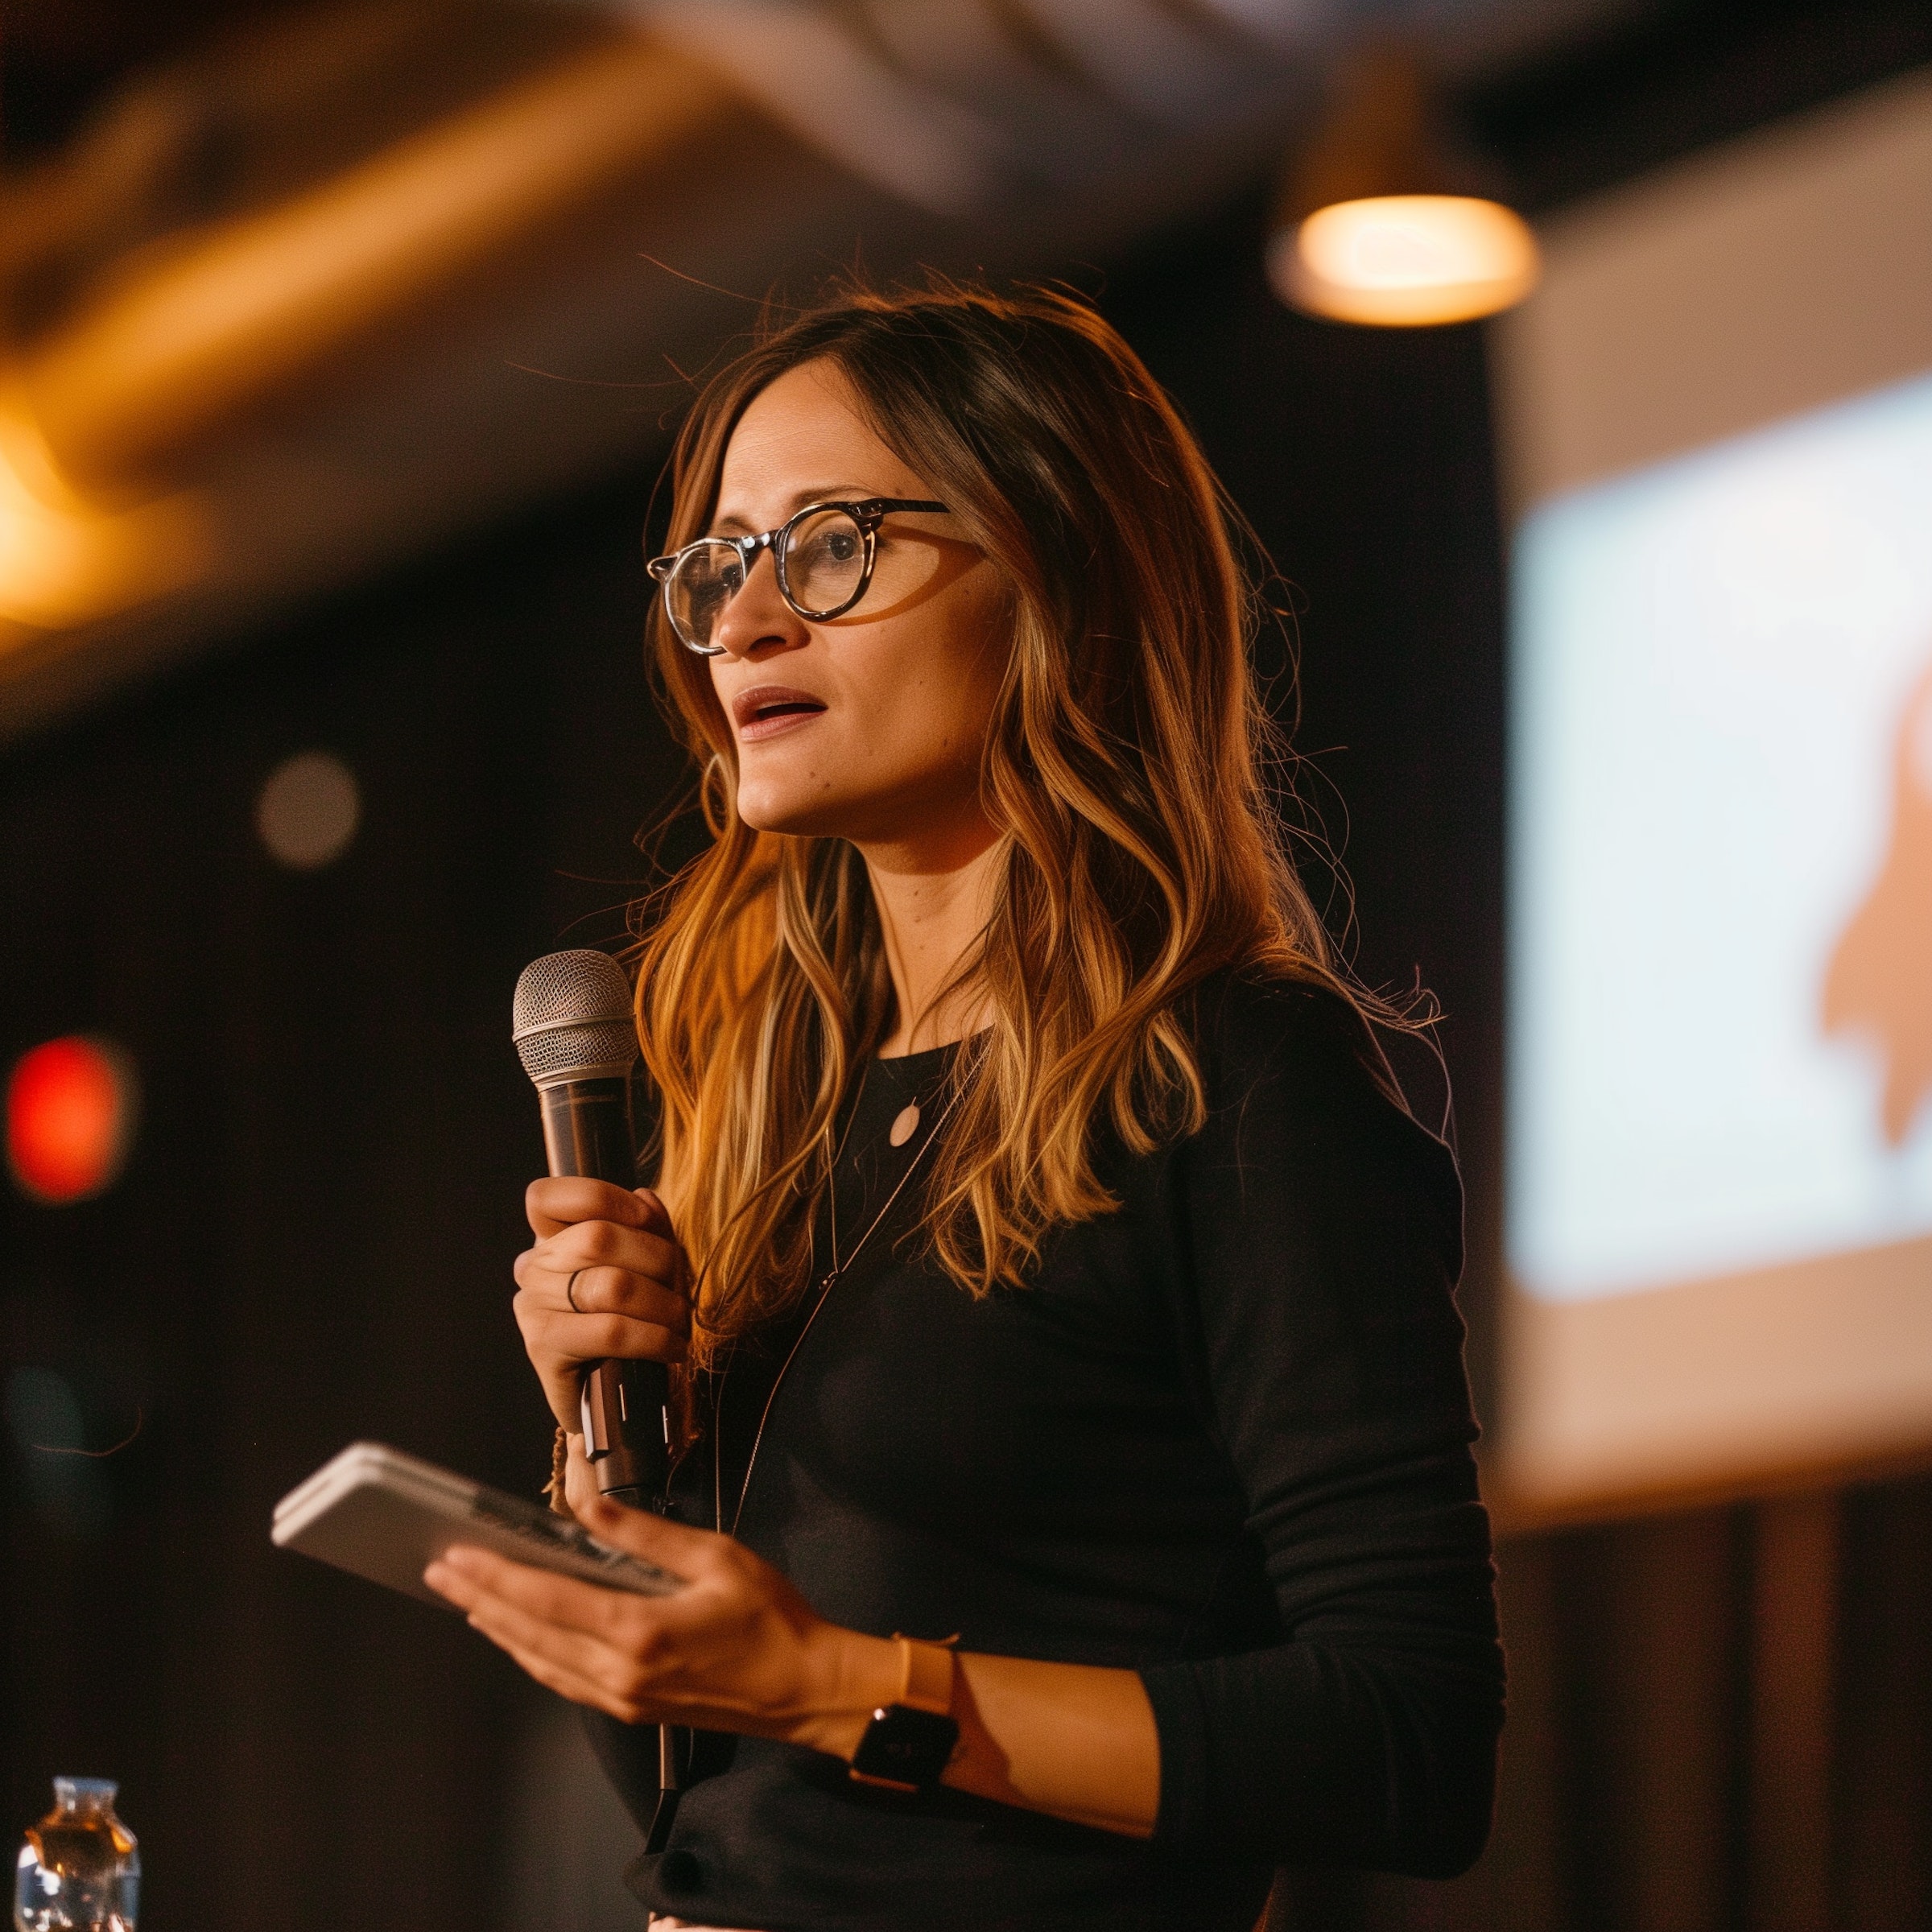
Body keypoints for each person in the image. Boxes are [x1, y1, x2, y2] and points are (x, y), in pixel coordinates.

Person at [424, 282, 1503, 1932]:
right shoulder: (785, 1125)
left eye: (834, 544)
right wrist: (607, 1489)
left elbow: (1408, 1744)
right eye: (720, 563)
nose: (749, 622)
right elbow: (709, 1806)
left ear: (1057, 570)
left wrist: (834, 1683)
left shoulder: (1240, 1083)